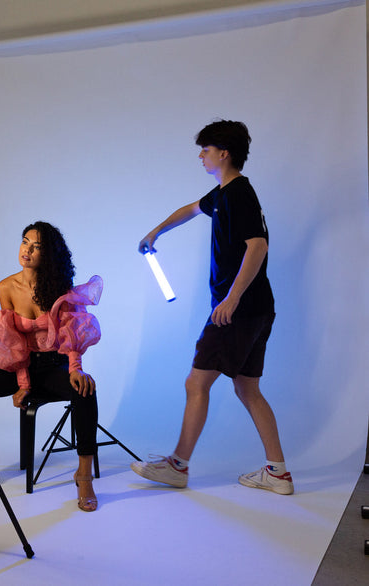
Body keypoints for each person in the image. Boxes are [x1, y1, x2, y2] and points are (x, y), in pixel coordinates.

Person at [132, 120, 293, 495]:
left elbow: (258, 246)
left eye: (205, 149)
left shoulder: (238, 194)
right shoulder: (223, 194)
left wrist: (231, 298)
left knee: (196, 383)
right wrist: (156, 232)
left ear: (224, 153)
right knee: (248, 389)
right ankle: (278, 473)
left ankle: (177, 466)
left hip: (237, 310)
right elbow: (190, 210)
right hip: (257, 309)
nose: (201, 155)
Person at [0, 221, 103, 512]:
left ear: (49, 254)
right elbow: (13, 340)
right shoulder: (6, 287)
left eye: (37, 246)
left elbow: (72, 332)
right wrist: (23, 383)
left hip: (54, 366)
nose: (28, 250)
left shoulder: (59, 287)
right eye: (25, 242)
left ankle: (83, 475)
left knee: (85, 390)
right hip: (21, 366)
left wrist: (75, 369)